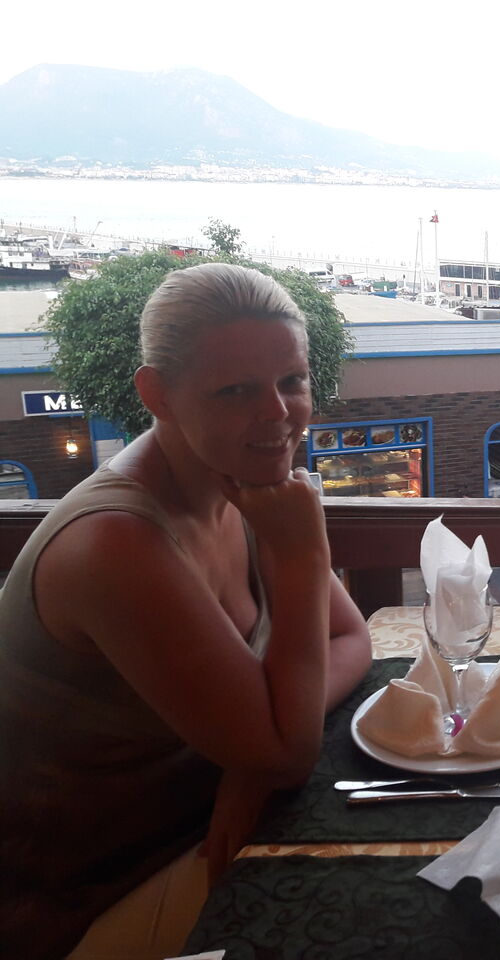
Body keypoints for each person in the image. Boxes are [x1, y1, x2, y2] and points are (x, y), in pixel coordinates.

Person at [0, 263, 372, 960]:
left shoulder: (244, 482)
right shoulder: (116, 543)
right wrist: (301, 558)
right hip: (83, 902)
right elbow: (291, 752)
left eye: (291, 381)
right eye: (236, 390)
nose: (277, 413)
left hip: (202, 827)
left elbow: (351, 637)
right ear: (157, 394)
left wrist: (252, 762)